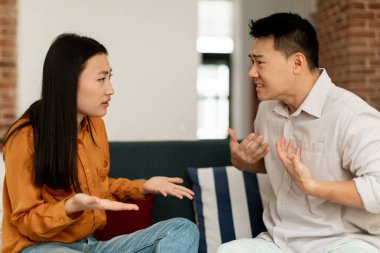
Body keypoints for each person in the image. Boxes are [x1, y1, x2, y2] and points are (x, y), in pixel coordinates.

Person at [1, 33, 199, 253]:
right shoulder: (24, 138)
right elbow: (26, 221)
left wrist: (142, 186)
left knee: (183, 229)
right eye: (101, 79)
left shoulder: (95, 125)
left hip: (91, 246)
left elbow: (99, 188)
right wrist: (70, 207)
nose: (110, 89)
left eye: (110, 77)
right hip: (40, 247)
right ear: (69, 81)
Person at [218, 12, 380, 253]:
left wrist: (313, 186)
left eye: (260, 62)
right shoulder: (266, 111)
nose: (252, 72)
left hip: (346, 240)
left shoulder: (352, 116)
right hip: (280, 242)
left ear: (297, 63)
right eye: (252, 61)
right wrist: (243, 162)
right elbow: (282, 166)